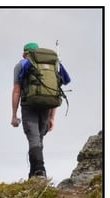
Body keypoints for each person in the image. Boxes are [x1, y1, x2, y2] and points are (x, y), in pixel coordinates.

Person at [11, 42, 72, 179]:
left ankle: (39, 171)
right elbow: (55, 91)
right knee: (38, 139)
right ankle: (34, 173)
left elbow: (16, 91)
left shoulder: (21, 65)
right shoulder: (52, 64)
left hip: (29, 105)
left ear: (24, 53)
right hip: (47, 106)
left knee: (33, 138)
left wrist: (14, 115)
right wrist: (52, 118)